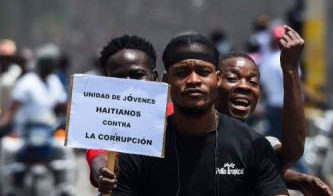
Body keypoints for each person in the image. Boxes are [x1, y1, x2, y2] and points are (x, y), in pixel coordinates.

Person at [112, 34, 288, 196]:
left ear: (217, 79)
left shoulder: (251, 145)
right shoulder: (140, 148)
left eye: (203, 72)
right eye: (181, 73)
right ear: (166, 81)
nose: (194, 81)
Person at [216, 52, 333, 196]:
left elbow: (291, 152)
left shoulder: (258, 146)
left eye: (253, 82)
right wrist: (294, 179)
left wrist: (290, 70)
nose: (244, 87)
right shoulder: (190, 134)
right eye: (233, 78)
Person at [85, 34, 159, 190]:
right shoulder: (100, 120)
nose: (127, 84)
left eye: (137, 75)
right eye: (118, 77)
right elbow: (98, 154)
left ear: (155, 77)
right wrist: (102, 173)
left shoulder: (174, 116)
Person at [0, 46, 67, 135]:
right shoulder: (28, 81)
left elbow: (62, 105)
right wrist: (3, 123)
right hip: (25, 132)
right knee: (7, 147)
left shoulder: (54, 81)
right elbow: (13, 107)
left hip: (48, 132)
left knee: (64, 148)